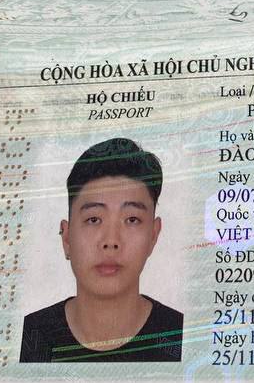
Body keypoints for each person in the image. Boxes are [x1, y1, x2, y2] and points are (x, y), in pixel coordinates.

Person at [20, 138, 183, 362]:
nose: (111, 241)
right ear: (66, 237)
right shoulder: (29, 337)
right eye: (94, 219)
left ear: (153, 235)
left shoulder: (182, 336)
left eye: (132, 219)